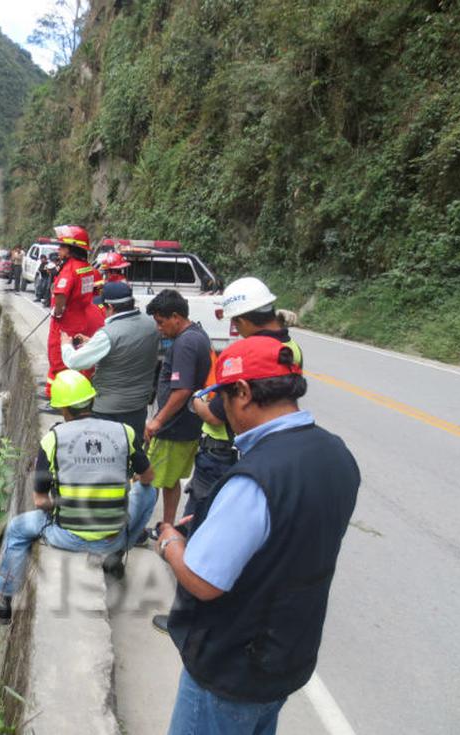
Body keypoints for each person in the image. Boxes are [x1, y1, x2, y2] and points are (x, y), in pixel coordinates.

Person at [156, 336, 359, 735]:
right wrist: (218, 519)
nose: (221, 412)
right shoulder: (335, 453)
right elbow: (292, 530)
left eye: (223, 401)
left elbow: (203, 581)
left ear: (244, 392)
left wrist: (170, 543)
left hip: (233, 666)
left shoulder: (257, 476)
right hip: (286, 655)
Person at [151, 276, 305, 635]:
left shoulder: (242, 355)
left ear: (246, 318)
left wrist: (199, 402)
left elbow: (217, 412)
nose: (233, 328)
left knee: (197, 528)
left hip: (221, 448)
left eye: (235, 321)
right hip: (258, 448)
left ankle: (184, 618)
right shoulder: (291, 349)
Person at [0, 370, 157, 623]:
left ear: (64, 409)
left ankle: (3, 601)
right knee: (148, 492)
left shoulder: (52, 440)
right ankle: (117, 555)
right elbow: (148, 477)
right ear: (91, 401)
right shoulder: (125, 432)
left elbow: (40, 501)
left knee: (17, 529)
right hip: (112, 536)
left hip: (68, 536)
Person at [61, 281, 159, 451]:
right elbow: (127, 348)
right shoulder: (150, 324)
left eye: (104, 307)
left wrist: (65, 344)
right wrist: (93, 343)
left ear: (111, 307)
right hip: (138, 407)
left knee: (107, 455)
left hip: (109, 410)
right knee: (131, 454)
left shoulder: (108, 334)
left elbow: (74, 362)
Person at [144, 289, 211, 525]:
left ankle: (136, 529)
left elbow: (182, 390)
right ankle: (167, 525)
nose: (159, 328)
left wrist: (158, 421)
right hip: (186, 425)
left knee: (147, 478)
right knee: (170, 480)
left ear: (176, 317)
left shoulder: (185, 343)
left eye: (161, 322)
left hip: (173, 428)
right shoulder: (198, 335)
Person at [44, 225, 106, 398]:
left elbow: (61, 294)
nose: (59, 250)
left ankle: (60, 398)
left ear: (71, 249)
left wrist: (57, 311)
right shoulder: (86, 267)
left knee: (59, 360)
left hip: (66, 323)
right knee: (77, 360)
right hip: (81, 319)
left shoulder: (69, 270)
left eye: (62, 246)